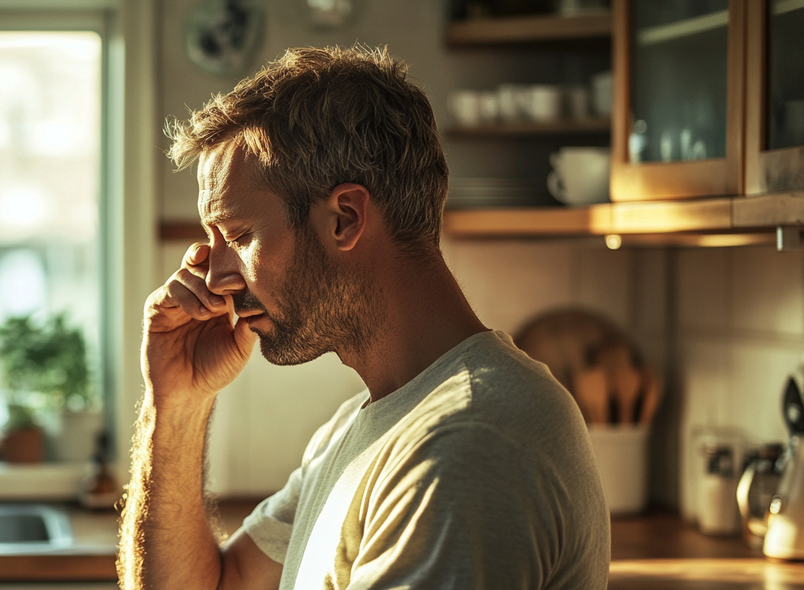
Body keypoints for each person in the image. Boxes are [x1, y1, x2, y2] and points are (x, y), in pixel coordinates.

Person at [117, 45, 610, 590]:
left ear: (345, 219)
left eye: (238, 236)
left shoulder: (465, 442)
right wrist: (177, 404)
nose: (216, 279)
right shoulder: (362, 426)